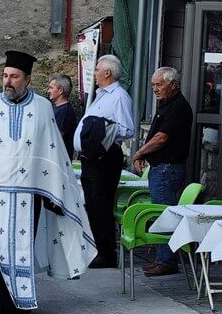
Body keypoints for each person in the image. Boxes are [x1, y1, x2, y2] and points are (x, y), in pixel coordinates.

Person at [0, 51, 93, 314]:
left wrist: (55, 189)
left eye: (14, 76)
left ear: (27, 79)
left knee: (22, 248)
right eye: (5, 75)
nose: (8, 81)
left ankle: (22, 301)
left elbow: (52, 149)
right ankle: (3, 304)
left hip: (29, 192)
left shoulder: (42, 107)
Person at [132, 67, 193, 277]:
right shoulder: (166, 105)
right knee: (162, 213)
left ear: (173, 85)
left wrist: (139, 152)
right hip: (162, 168)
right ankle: (162, 258)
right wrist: (143, 154)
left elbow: (161, 138)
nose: (155, 89)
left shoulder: (179, 107)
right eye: (153, 85)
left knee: (164, 213)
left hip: (167, 169)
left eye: (159, 85)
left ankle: (167, 260)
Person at [75, 54, 135, 268]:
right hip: (90, 158)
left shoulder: (119, 96)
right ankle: (96, 249)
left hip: (105, 157)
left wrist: (103, 133)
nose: (95, 73)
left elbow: (128, 129)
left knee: (101, 204)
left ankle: (106, 253)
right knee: (91, 204)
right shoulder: (101, 95)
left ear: (107, 72)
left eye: (97, 69)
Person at [47, 74, 79, 160]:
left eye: (51, 88)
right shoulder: (57, 109)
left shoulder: (65, 111)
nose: (48, 91)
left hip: (58, 160)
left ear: (60, 90)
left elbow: (55, 138)